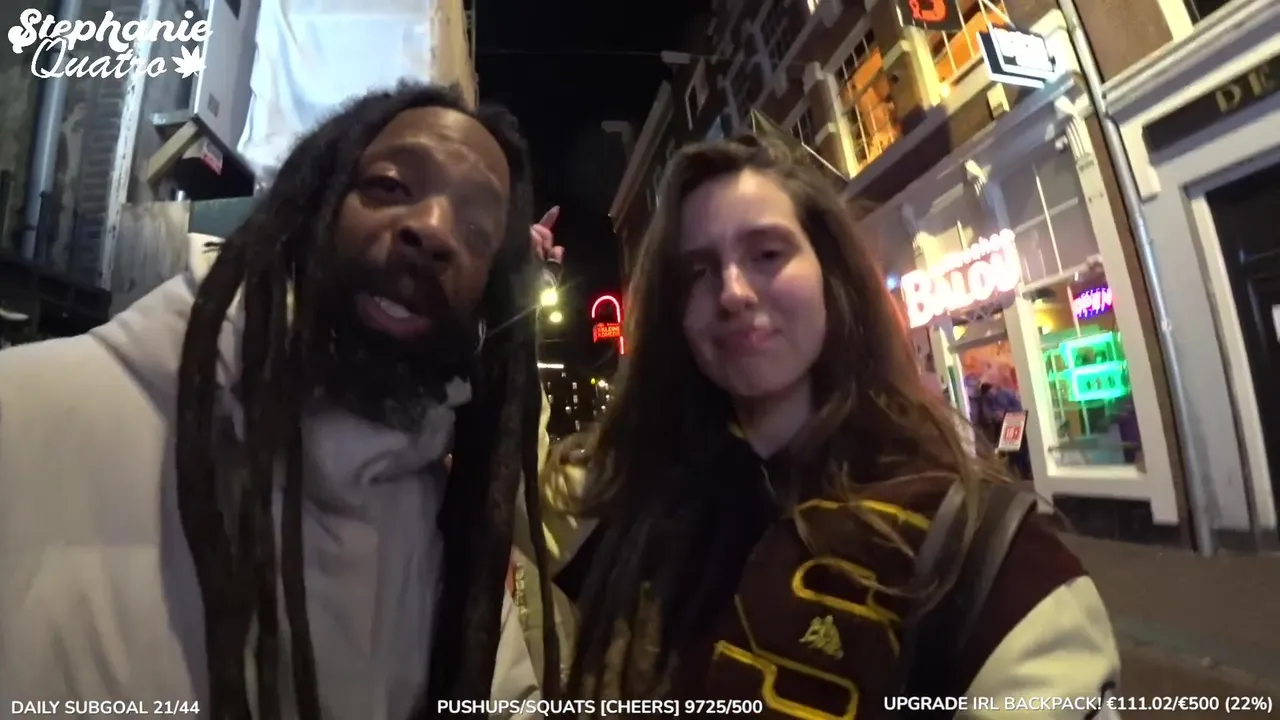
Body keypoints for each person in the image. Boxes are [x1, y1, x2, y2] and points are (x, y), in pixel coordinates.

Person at [0, 84, 566, 719]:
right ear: (311, 203)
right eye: (388, 185)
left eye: (478, 229)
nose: (435, 231)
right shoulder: (23, 417)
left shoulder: (449, 543)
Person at [524, 136, 1121, 716]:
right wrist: (506, 295)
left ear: (830, 276)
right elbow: (512, 480)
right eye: (698, 271)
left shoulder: (985, 563)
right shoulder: (627, 504)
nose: (732, 292)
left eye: (767, 254)